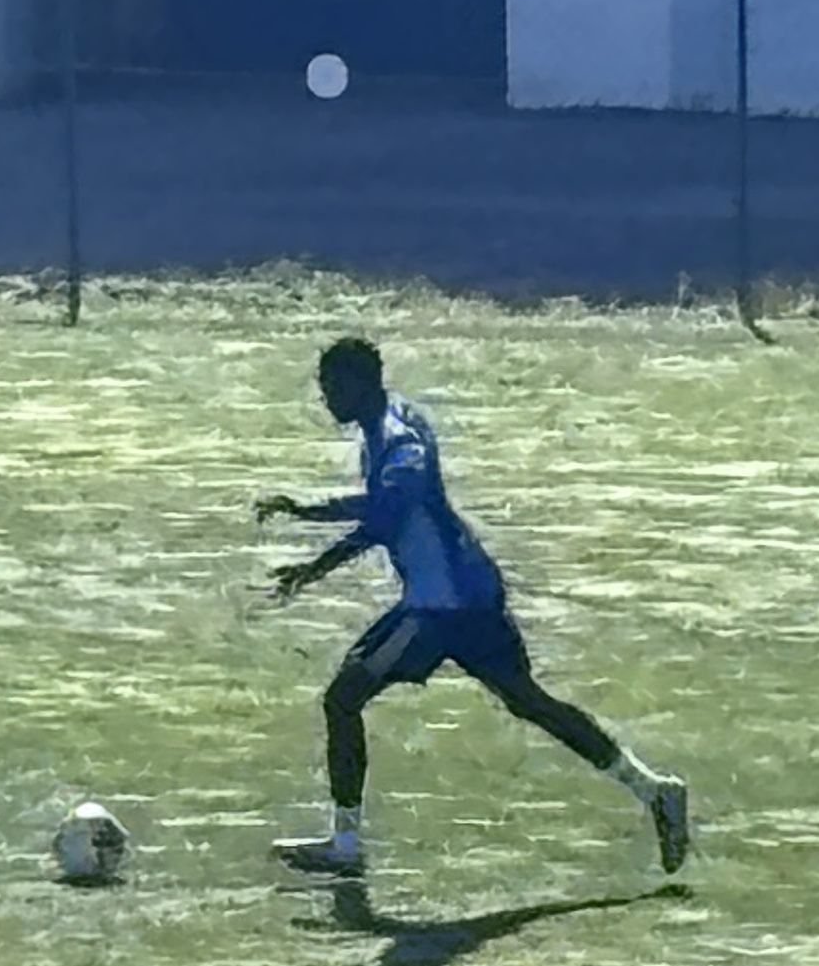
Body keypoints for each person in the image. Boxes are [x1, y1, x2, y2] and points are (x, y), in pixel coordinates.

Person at [257, 336, 688, 877]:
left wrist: (307, 533)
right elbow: (388, 515)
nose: (325, 399)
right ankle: (654, 791)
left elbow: (385, 514)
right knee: (529, 702)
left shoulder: (398, 439)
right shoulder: (388, 424)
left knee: (343, 698)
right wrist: (311, 550)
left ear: (360, 384)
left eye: (332, 387)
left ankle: (346, 845)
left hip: (442, 609)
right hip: (469, 594)